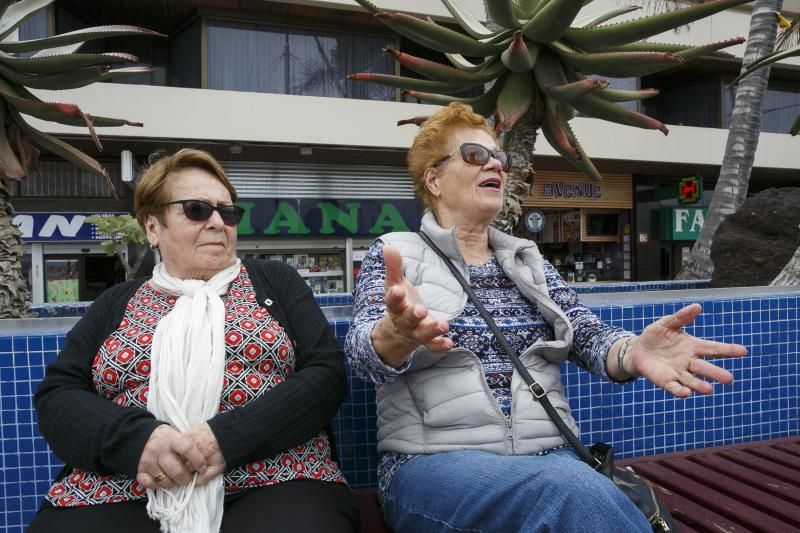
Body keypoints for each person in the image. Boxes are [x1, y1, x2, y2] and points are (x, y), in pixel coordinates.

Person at [344, 103, 747, 532]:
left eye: (499, 157)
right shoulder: (396, 254)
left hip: (550, 458)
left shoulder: (528, 260)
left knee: (569, 488)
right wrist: (397, 334)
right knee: (570, 491)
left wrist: (633, 351)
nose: (495, 163)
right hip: (432, 466)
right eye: (475, 155)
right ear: (434, 178)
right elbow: (361, 355)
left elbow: (586, 334)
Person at [30, 149, 359, 533]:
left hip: (274, 475)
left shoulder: (275, 282)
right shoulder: (117, 302)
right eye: (197, 209)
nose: (219, 222)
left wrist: (227, 438)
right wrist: (138, 442)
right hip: (122, 486)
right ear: (153, 227)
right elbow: (59, 392)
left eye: (229, 211)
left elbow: (326, 372)